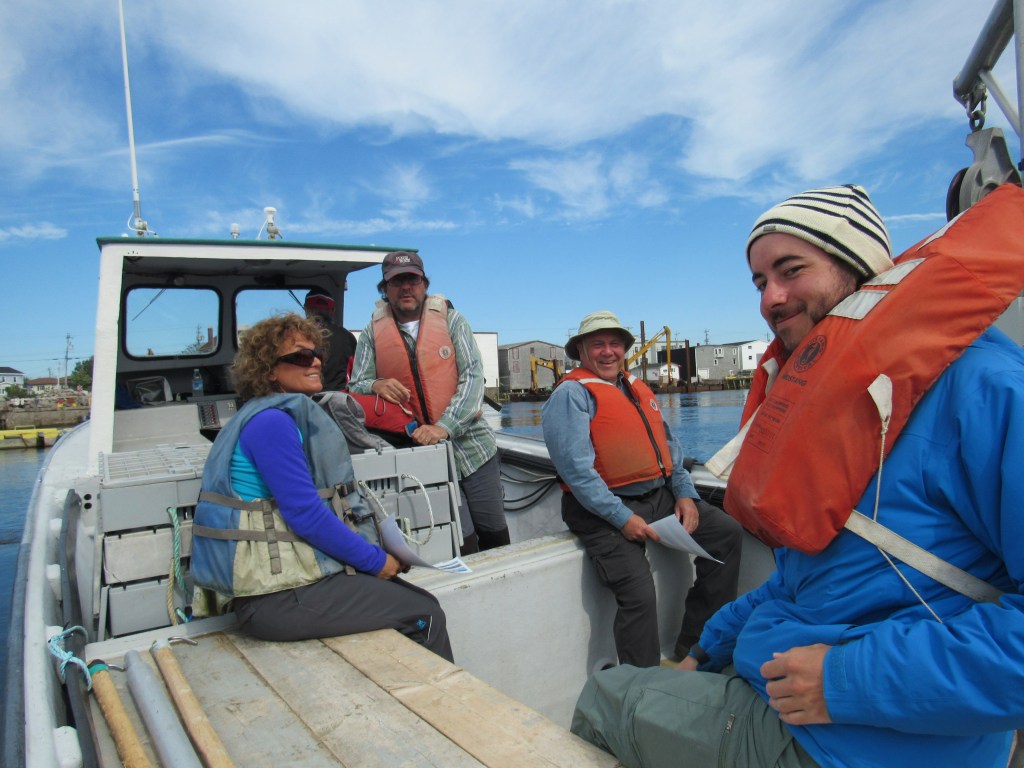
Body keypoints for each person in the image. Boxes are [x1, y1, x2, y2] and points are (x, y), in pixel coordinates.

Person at [570, 185, 1024, 767]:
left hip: (856, 740)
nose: (771, 298)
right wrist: (710, 647)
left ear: (861, 269)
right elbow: (802, 581)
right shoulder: (838, 401)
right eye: (760, 281)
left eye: (790, 270)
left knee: (607, 695)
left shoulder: (985, 390)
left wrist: (845, 681)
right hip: (804, 687)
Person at [190, 313, 453, 661]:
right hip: (275, 598)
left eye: (316, 355)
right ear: (268, 369)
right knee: (425, 614)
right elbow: (306, 515)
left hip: (286, 589)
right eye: (299, 356)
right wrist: (377, 561)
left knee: (420, 603)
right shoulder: (271, 423)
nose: (314, 361)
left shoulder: (262, 415)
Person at [542, 310, 742, 668]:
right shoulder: (571, 395)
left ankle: (695, 649)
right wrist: (622, 519)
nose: (607, 352)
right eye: (597, 345)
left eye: (614, 344)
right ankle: (640, 688)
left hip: (660, 497)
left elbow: (671, 451)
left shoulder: (636, 388)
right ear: (582, 352)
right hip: (600, 510)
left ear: (624, 350)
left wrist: (685, 494)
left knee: (726, 534)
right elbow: (577, 472)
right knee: (638, 595)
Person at [349, 250, 510, 554]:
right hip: (420, 454)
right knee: (461, 540)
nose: (406, 287)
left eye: (412, 279)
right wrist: (376, 384)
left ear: (424, 284)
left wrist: (445, 426)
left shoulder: (453, 320)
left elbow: (473, 377)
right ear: (385, 290)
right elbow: (355, 386)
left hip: (474, 449)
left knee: (496, 533)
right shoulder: (372, 333)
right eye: (397, 282)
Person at [303, 289, 358, 390]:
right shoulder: (347, 337)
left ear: (306, 309)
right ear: (332, 311)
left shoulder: (296, 336)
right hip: (338, 400)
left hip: (304, 397)